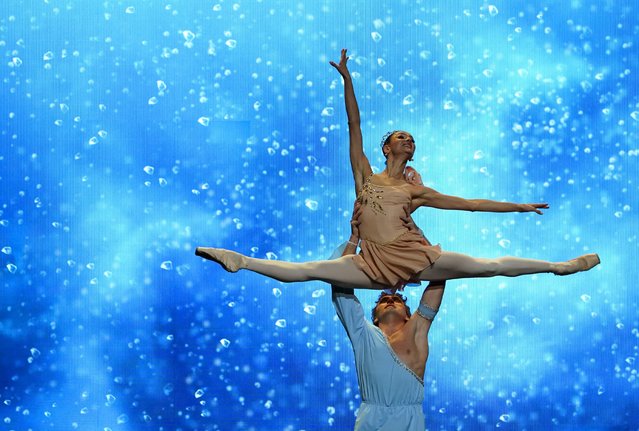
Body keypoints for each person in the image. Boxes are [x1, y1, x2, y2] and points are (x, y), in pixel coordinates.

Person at [195, 49, 600, 289]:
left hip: (412, 256)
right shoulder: (365, 177)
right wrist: (347, 80)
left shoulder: (415, 192)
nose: (408, 140)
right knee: (310, 270)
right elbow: (353, 124)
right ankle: (240, 260)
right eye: (401, 137)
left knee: (488, 266)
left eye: (412, 139)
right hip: (370, 262)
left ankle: (557, 265)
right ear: (387, 147)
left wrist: (518, 207)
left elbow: (472, 204)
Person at [332, 204, 445, 430]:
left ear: (408, 314)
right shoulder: (363, 334)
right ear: (375, 317)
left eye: (398, 300)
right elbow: (341, 282)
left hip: (410, 420)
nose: (391, 300)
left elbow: (440, 274)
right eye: (383, 300)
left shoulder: (417, 329)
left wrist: (416, 233)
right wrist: (354, 239)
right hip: (370, 420)